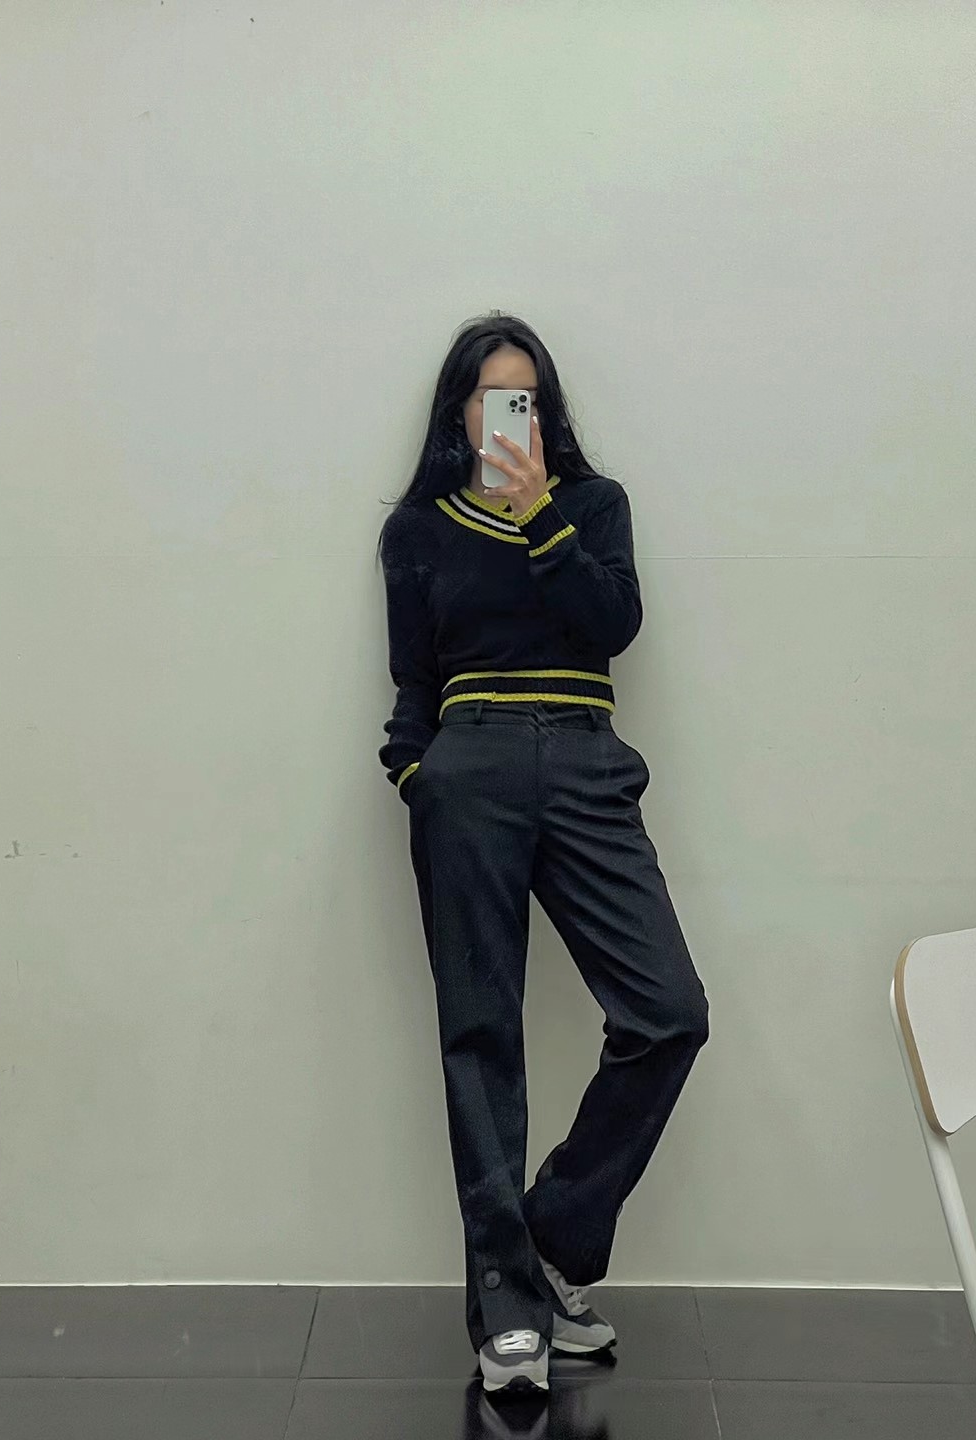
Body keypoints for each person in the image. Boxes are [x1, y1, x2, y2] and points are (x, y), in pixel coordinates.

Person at [378, 313, 709, 1396]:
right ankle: (509, 1310)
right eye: (489, 396)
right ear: (460, 411)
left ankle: (547, 1244)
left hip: (583, 757)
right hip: (467, 764)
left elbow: (612, 625)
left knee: (668, 1011)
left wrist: (541, 519)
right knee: (481, 1035)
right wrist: (417, 772)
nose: (506, 415)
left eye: (523, 396)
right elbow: (414, 680)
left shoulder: (593, 506)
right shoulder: (418, 530)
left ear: (545, 408)